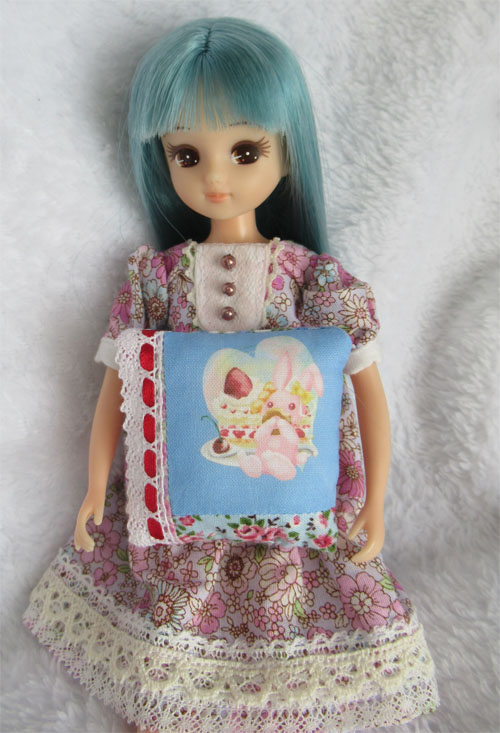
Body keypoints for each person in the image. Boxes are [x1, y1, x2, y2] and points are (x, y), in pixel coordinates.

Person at [24, 17, 438, 732]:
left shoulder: (315, 282)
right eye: (187, 155)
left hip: (295, 516)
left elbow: (366, 391)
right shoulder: (155, 281)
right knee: (174, 645)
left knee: (286, 640)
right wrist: (95, 485)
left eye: (245, 151)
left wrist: (374, 500)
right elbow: (121, 389)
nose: (215, 177)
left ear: (288, 150)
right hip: (180, 516)